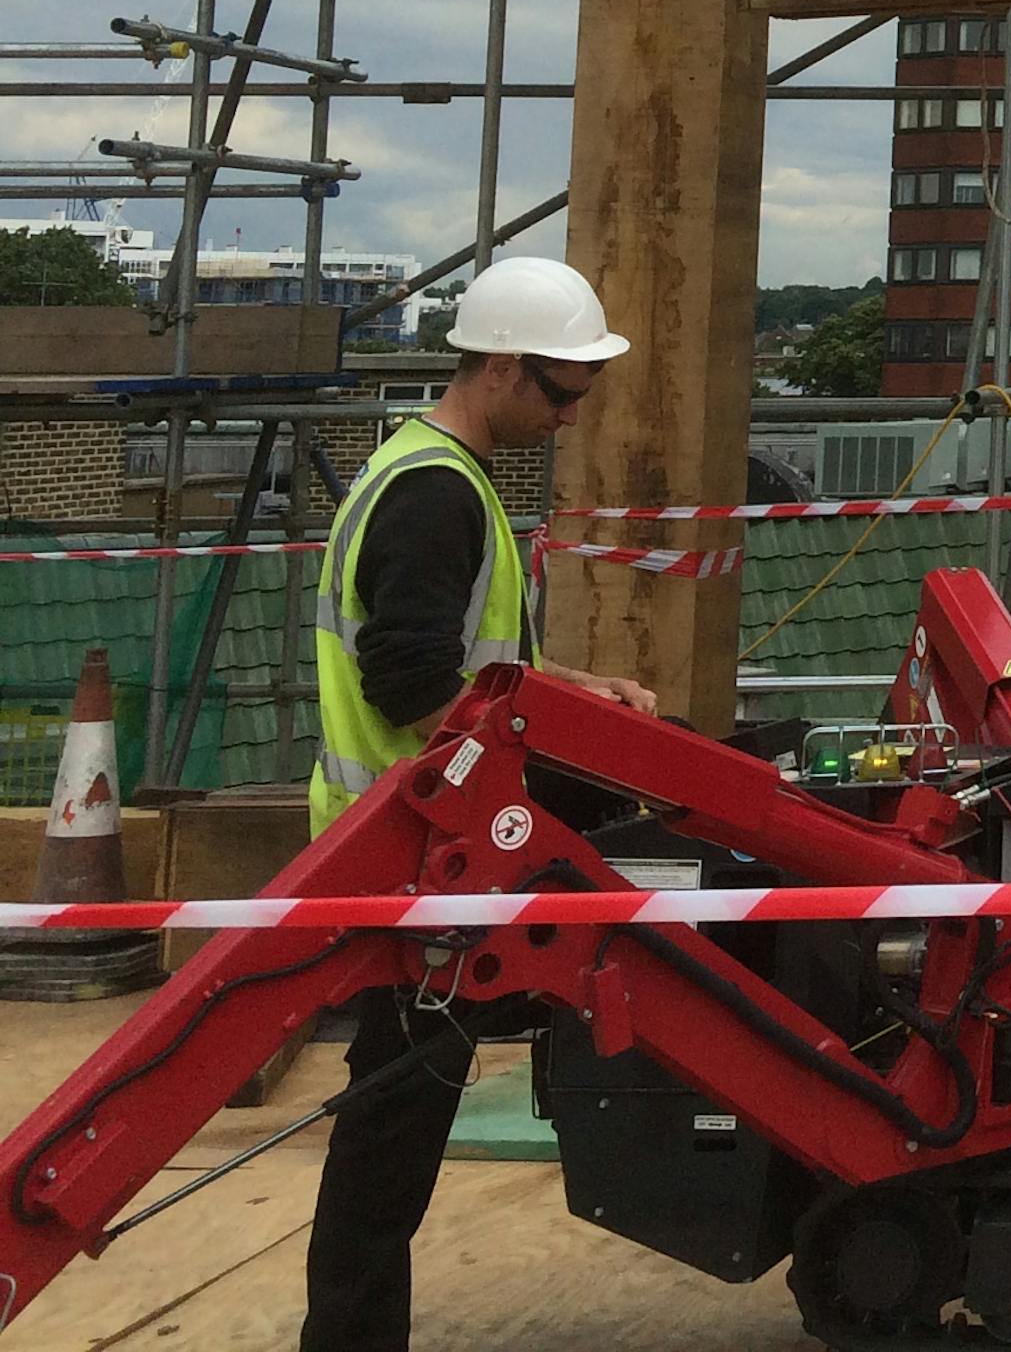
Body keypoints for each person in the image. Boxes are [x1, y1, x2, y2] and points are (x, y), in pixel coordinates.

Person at [301, 255, 653, 1352]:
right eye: (559, 391)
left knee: (392, 1120)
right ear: (499, 366)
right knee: (389, 1131)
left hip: (411, 847)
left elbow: (469, 673)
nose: (568, 415)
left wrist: (568, 691)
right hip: (416, 857)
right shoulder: (434, 492)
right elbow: (412, 688)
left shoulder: (432, 473)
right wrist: (541, 752)